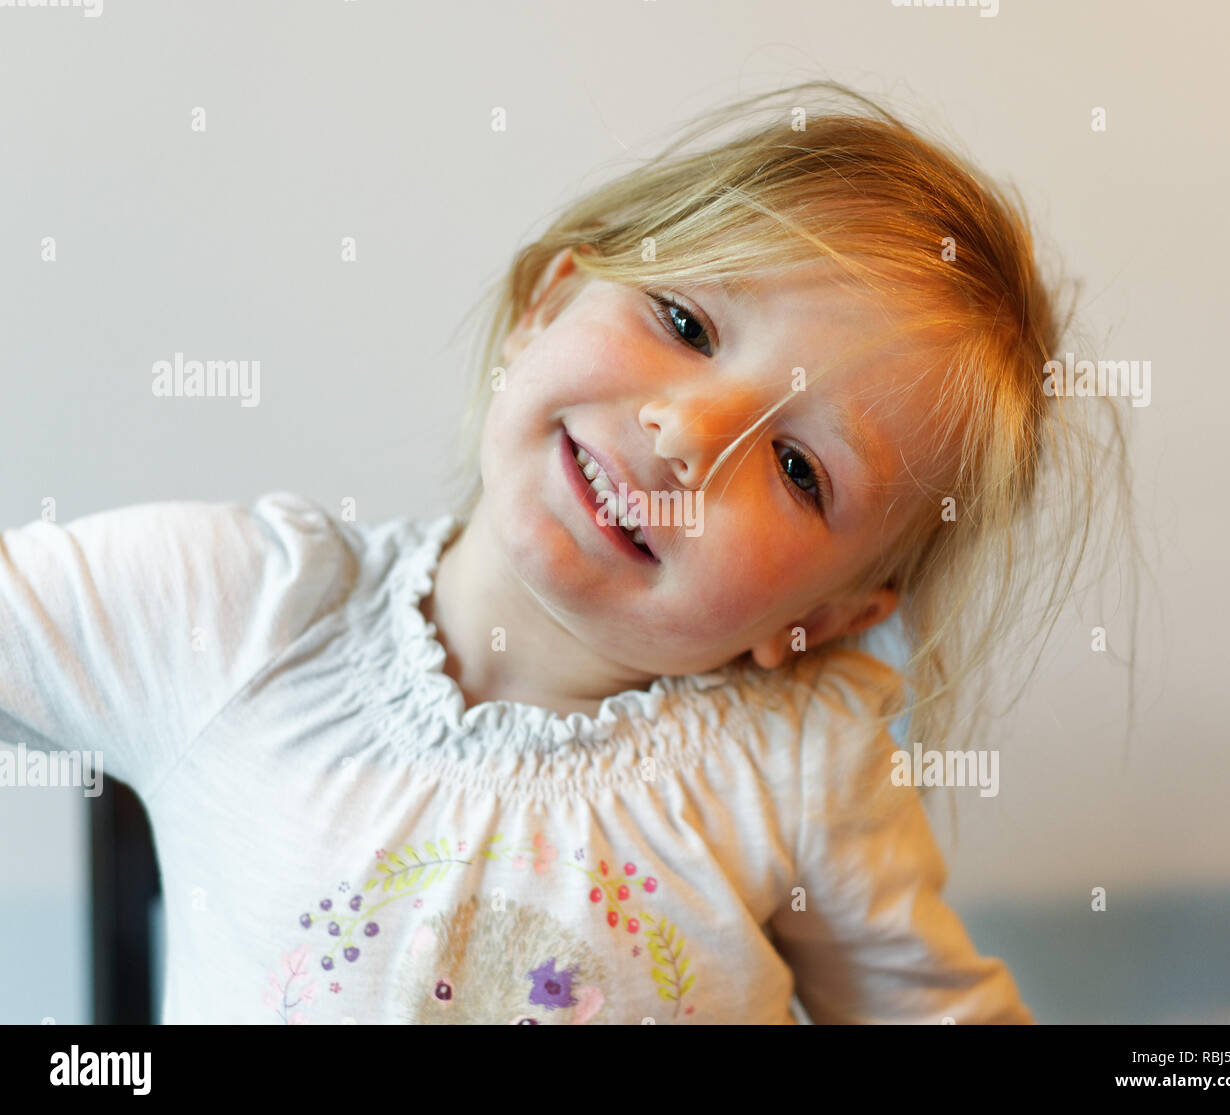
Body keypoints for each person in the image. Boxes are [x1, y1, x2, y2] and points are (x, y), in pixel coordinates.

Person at [0, 81, 1130, 1024]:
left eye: (798, 468)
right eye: (683, 323)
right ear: (549, 303)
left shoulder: (793, 768)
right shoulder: (242, 611)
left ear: (826, 617)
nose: (685, 435)